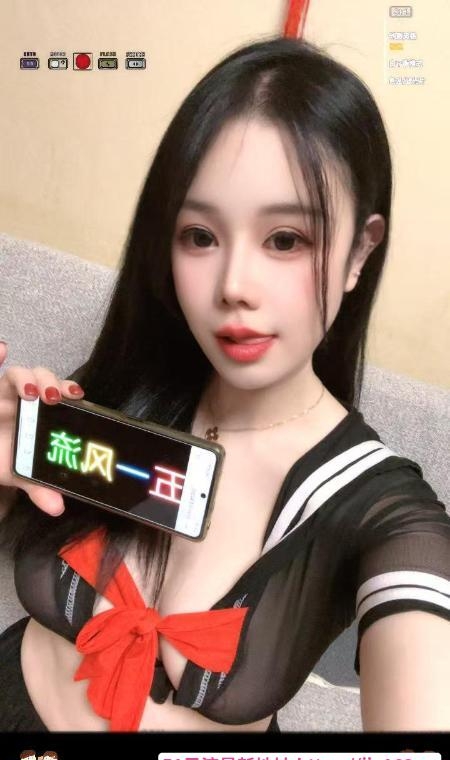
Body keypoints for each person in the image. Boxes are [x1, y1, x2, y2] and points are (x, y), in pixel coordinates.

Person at [0, 35, 449, 733]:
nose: (233, 285)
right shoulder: (120, 391)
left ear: (360, 252)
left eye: (286, 240)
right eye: (200, 236)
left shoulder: (381, 511)